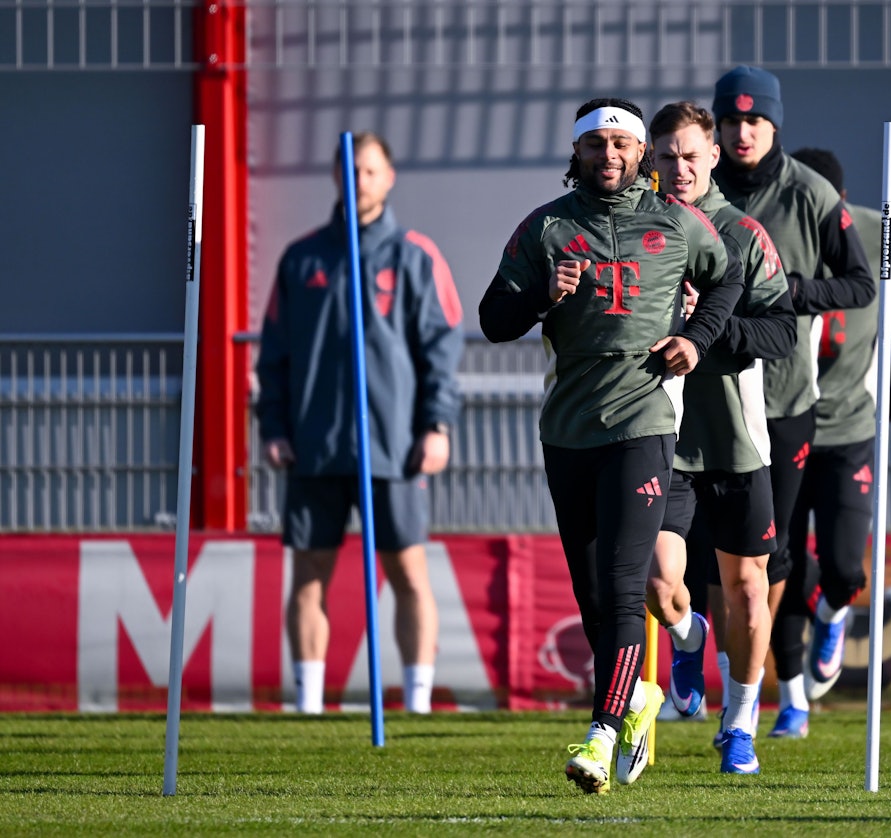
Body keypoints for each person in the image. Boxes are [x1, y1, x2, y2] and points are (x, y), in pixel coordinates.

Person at [479, 97, 744, 794]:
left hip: (643, 426)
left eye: (621, 144)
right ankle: (638, 698)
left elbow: (728, 278)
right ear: (579, 154)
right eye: (596, 145)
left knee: (628, 588)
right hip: (567, 432)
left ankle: (598, 734)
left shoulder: (678, 223)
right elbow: (493, 319)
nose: (609, 155)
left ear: (640, 155)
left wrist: (694, 338)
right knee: (596, 597)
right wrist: (543, 292)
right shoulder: (547, 227)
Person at [255, 132, 464, 716]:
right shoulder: (302, 259)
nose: (359, 181)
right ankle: (308, 705)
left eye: (369, 171)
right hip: (314, 448)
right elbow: (273, 356)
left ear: (388, 177)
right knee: (308, 575)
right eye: (349, 171)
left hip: (394, 447)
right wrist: (273, 428)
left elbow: (441, 351)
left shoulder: (414, 255)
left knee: (408, 574)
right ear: (335, 178)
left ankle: (417, 702)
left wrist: (436, 427)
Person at [709, 66, 877, 738]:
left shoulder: (809, 195)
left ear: (774, 124)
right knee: (702, 556)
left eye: (754, 121)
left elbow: (860, 285)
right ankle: (705, 677)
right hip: (700, 397)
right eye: (731, 120)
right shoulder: (695, 183)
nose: (742, 132)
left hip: (781, 401)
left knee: (771, 558)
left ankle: (783, 699)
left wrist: (793, 293)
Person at [647, 101, 797, 775]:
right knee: (656, 583)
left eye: (689, 156)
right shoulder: (636, 227)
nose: (678, 169)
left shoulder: (743, 235)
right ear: (650, 159)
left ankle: (738, 727)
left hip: (734, 438)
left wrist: (703, 331)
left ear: (712, 158)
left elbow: (779, 332)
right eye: (667, 157)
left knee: (746, 589)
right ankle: (686, 638)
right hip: (657, 433)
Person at [773, 147, 891, 719]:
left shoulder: (882, 235)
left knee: (842, 566)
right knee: (777, 562)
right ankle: (791, 702)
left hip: (849, 425)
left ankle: (833, 614)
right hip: (783, 418)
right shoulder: (772, 236)